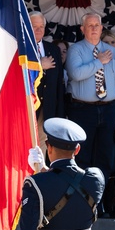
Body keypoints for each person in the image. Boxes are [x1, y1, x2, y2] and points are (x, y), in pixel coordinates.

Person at [65, 13, 115, 174]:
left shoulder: (111, 51)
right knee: (82, 156)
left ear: (101, 28)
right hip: (82, 110)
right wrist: (98, 62)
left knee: (105, 157)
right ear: (82, 29)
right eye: (90, 25)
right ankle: (84, 197)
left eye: (96, 25)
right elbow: (76, 74)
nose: (94, 28)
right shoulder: (75, 49)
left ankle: (100, 197)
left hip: (108, 110)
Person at [29, 11, 66, 158]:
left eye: (41, 27)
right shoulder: (20, 48)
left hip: (48, 108)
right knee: (27, 144)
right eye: (34, 27)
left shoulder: (52, 49)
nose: (38, 30)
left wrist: (60, 113)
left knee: (43, 146)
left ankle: (38, 177)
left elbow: (59, 84)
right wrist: (39, 65)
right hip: (28, 107)